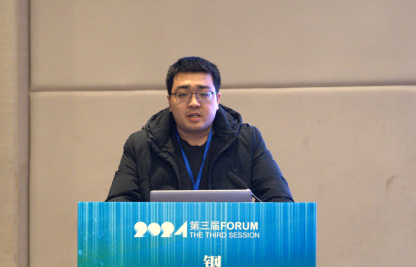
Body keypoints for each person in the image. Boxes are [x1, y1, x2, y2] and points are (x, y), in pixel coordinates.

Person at [106, 57, 294, 202]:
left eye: (204, 94)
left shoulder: (248, 141)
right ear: (170, 101)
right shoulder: (140, 145)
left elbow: (280, 203)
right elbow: (116, 209)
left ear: (217, 100)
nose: (194, 103)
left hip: (228, 242)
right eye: (182, 94)